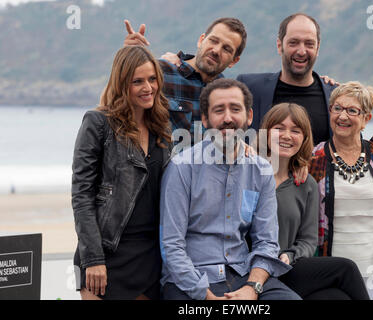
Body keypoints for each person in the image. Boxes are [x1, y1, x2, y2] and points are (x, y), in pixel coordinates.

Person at [159, 78, 300, 300]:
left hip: (243, 274)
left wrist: (252, 288)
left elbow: (267, 241)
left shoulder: (261, 170)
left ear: (249, 116)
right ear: (205, 119)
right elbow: (172, 245)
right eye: (218, 110)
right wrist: (205, 295)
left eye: (235, 109)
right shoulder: (182, 167)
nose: (227, 118)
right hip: (192, 279)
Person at [72, 46, 172, 300]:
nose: (148, 87)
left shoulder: (162, 127)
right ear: (121, 84)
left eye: (152, 79)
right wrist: (93, 258)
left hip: (149, 255)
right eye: (137, 81)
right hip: (105, 253)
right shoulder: (98, 123)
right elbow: (81, 196)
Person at [236, 13, 373, 153]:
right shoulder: (248, 87)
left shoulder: (335, 95)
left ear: (318, 48)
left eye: (309, 44)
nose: (301, 51)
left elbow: (352, 145)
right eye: (293, 42)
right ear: (280, 45)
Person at [309, 81, 373, 300]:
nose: (342, 116)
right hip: (332, 272)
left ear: (366, 119)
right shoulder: (313, 160)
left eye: (352, 110)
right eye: (337, 108)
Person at [259, 102, 369, 300]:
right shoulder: (248, 174)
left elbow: (309, 240)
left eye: (295, 130)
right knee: (346, 268)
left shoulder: (305, 183)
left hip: (287, 267)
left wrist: (290, 255)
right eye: (279, 128)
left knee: (337, 297)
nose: (286, 135)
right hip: (255, 270)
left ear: (304, 138)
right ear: (265, 132)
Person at [124, 17, 247, 146]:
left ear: (234, 61)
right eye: (213, 41)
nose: (216, 50)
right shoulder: (161, 72)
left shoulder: (229, 95)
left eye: (226, 49)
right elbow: (121, 105)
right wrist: (130, 60)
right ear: (201, 40)